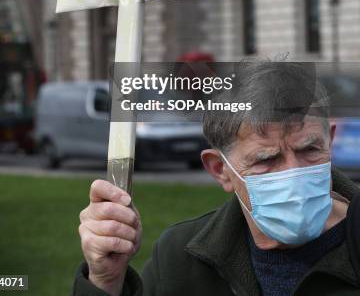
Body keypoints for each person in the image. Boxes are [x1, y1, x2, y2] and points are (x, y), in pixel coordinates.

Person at [72, 61, 360, 295]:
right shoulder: (181, 259)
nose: (292, 171)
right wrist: (105, 281)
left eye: (309, 149)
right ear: (220, 169)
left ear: (330, 140)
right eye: (266, 160)